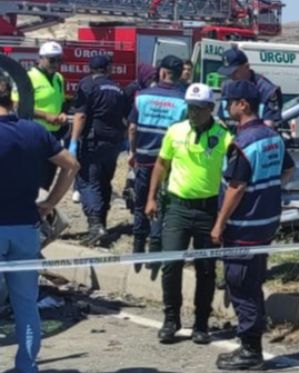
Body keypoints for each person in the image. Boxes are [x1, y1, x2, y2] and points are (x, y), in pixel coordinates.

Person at [212, 80, 294, 371]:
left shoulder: (244, 142)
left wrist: (219, 224)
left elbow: (236, 187)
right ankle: (252, 344)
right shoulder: (272, 136)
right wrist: (268, 194)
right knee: (253, 284)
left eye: (229, 101)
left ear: (242, 104)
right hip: (266, 224)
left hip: (243, 228)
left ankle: (250, 351)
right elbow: (288, 169)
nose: (226, 106)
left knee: (241, 285)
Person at [1, 80, 79, 373]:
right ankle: (28, 372)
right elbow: (71, 165)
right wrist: (48, 204)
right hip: (25, 228)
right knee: (25, 304)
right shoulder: (33, 132)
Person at [147, 83, 232, 345]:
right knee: (171, 265)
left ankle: (201, 323)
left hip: (207, 210)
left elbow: (234, 172)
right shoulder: (175, 131)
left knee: (205, 269)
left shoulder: (224, 136)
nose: (192, 113)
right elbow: (161, 163)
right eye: (189, 107)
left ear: (210, 108)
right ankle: (171, 319)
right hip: (176, 208)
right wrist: (151, 198)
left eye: (198, 108)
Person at [129, 56, 188, 264]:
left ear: (161, 72)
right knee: (161, 204)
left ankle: (137, 246)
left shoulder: (141, 97)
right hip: (168, 163)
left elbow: (133, 128)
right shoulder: (184, 101)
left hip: (143, 158)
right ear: (181, 74)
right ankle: (155, 247)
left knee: (140, 202)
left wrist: (133, 152)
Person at [70, 54, 129, 246]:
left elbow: (80, 116)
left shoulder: (87, 85)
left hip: (93, 141)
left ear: (90, 68)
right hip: (113, 143)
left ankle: (96, 225)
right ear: (108, 68)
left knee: (88, 181)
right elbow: (125, 118)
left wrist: (73, 143)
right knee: (104, 182)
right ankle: (101, 224)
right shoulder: (117, 88)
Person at [11, 41, 68, 190]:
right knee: (32, 175)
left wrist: (61, 114)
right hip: (33, 133)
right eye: (52, 59)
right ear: (40, 58)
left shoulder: (58, 79)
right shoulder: (28, 78)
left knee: (48, 176)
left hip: (53, 134)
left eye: (58, 59)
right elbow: (18, 105)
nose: (55, 63)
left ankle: (42, 207)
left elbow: (60, 103)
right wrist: (45, 116)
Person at [217, 47, 283, 127]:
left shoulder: (267, 91)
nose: (232, 77)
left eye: (235, 72)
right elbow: (221, 120)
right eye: (228, 73)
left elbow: (269, 126)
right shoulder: (227, 87)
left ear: (247, 67)